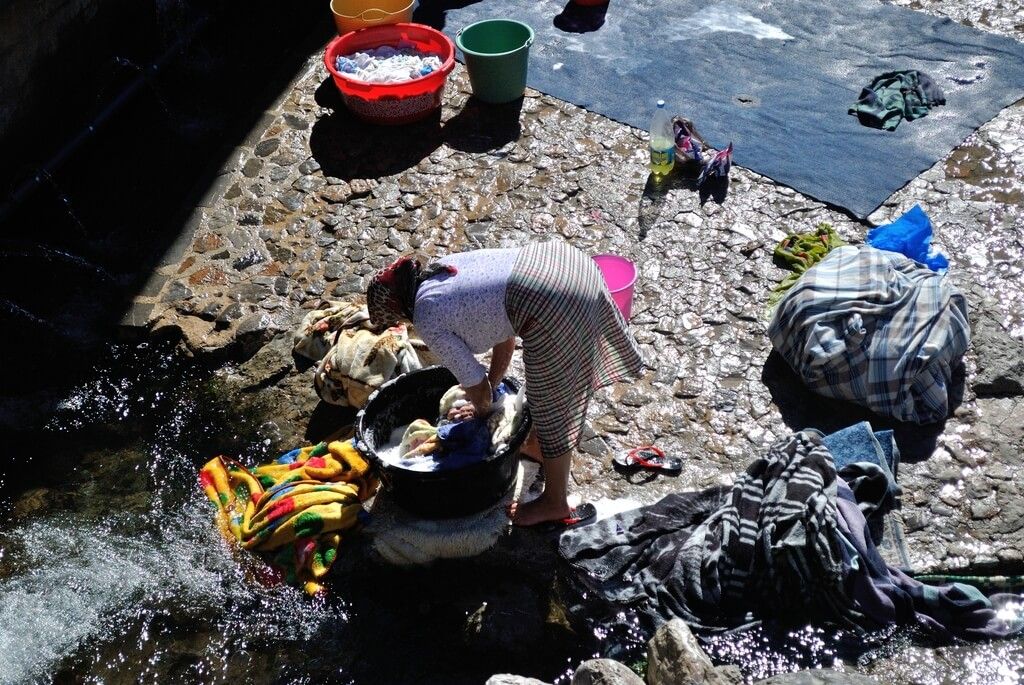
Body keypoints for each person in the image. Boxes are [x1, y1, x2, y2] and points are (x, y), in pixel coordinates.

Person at [366, 240, 644, 526]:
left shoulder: (427, 316)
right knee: (545, 388)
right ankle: (538, 445)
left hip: (556, 302)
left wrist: (483, 413)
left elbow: (475, 386)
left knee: (551, 402)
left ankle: (555, 502)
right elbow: (505, 331)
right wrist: (492, 385)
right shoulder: (443, 271)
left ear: (399, 308)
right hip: (570, 263)